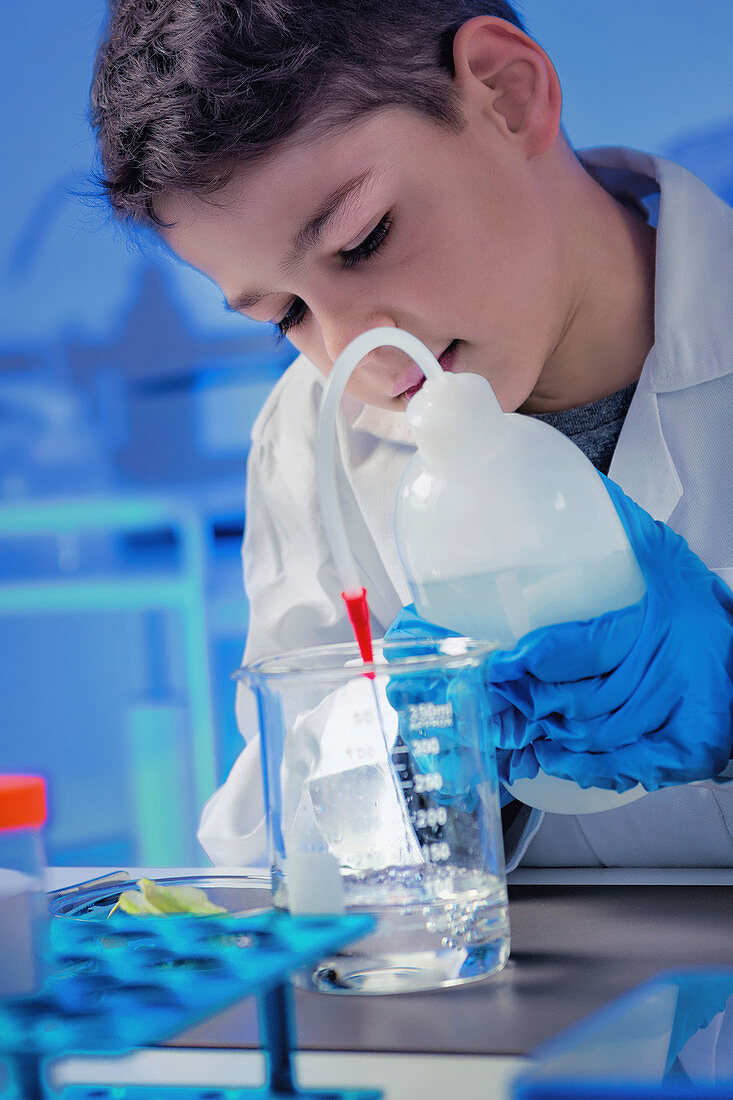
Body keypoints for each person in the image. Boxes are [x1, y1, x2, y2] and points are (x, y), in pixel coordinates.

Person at [90, 0, 733, 869]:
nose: (352, 350)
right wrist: (398, 743)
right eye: (285, 314)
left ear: (508, 95)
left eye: (363, 241)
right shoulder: (307, 436)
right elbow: (266, 841)